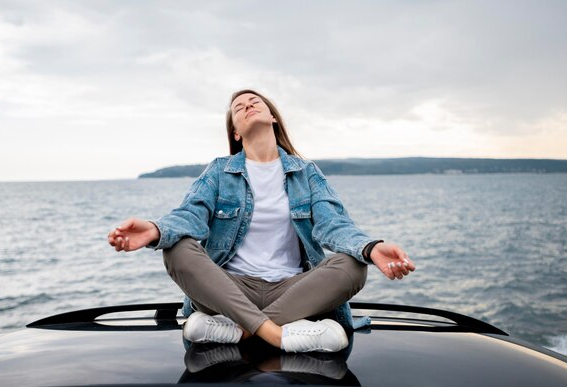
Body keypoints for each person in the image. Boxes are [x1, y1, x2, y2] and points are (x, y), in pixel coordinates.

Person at [108, 89, 415, 353]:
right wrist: (155, 230)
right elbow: (191, 214)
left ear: (273, 117)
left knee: (353, 265)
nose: (247, 106)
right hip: (229, 289)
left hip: (292, 290)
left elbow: (333, 224)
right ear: (236, 132)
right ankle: (277, 334)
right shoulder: (219, 171)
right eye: (238, 108)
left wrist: (371, 247)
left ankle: (239, 330)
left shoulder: (306, 173)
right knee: (177, 249)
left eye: (254, 101)